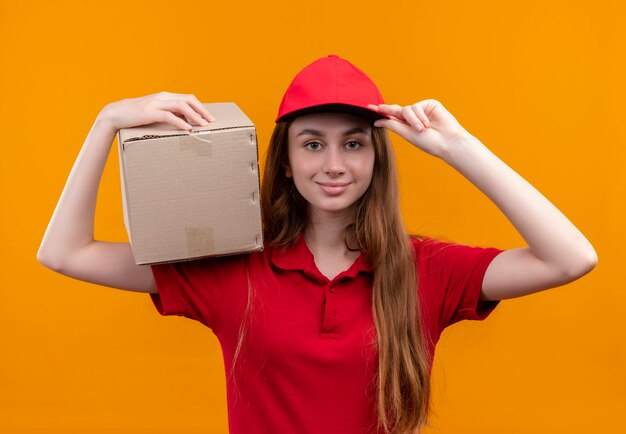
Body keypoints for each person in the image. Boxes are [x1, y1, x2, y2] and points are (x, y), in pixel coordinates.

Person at [37, 54, 598, 434]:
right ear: (285, 159)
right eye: (313, 144)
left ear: (377, 159)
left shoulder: (424, 267)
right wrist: (106, 123)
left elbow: (571, 257)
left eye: (354, 144)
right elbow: (64, 252)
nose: (334, 165)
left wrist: (458, 148)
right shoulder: (234, 266)